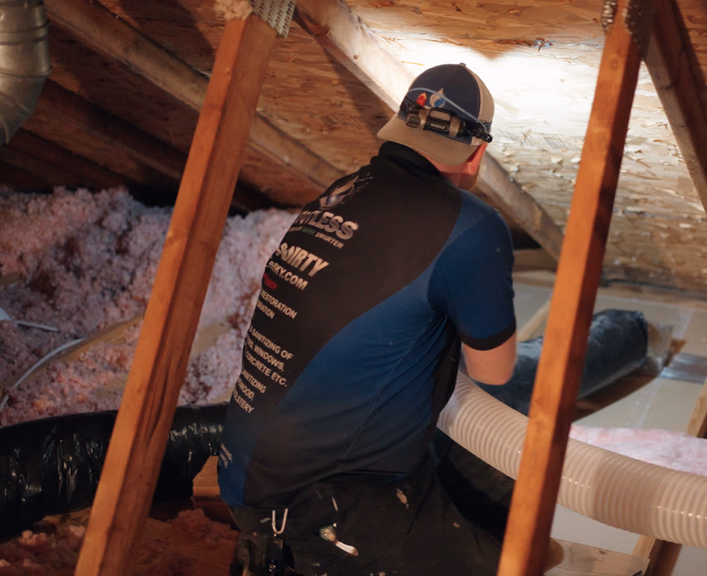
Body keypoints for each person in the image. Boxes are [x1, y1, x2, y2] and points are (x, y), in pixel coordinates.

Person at [218, 63, 518, 576]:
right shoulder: (472, 228)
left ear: (400, 127)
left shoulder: (343, 190)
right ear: (477, 155)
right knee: (510, 563)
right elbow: (493, 372)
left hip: (243, 469)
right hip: (324, 507)